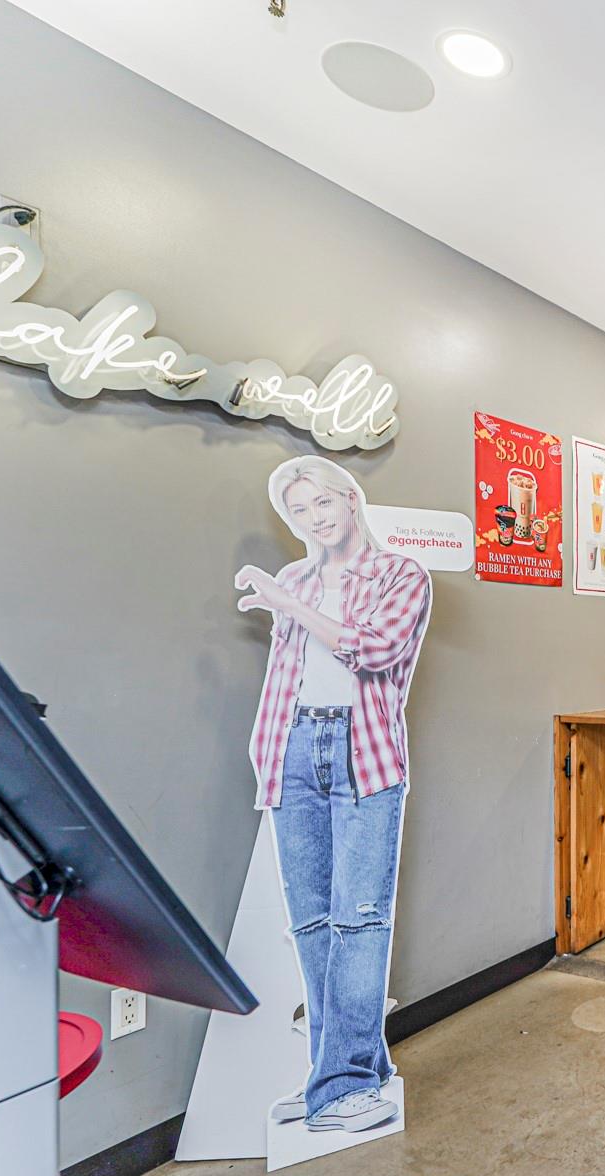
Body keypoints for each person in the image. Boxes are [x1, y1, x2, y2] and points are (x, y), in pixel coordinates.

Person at [235, 456, 431, 1134]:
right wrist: (266, 749)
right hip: (291, 745)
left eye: (322, 502)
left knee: (359, 920)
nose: (313, 518)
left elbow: (373, 651)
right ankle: (342, 1075)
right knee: (312, 921)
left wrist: (289, 605)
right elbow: (286, 671)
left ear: (350, 499)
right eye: (298, 510)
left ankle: (340, 1083)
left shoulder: (400, 574)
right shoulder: (294, 578)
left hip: (362, 751)